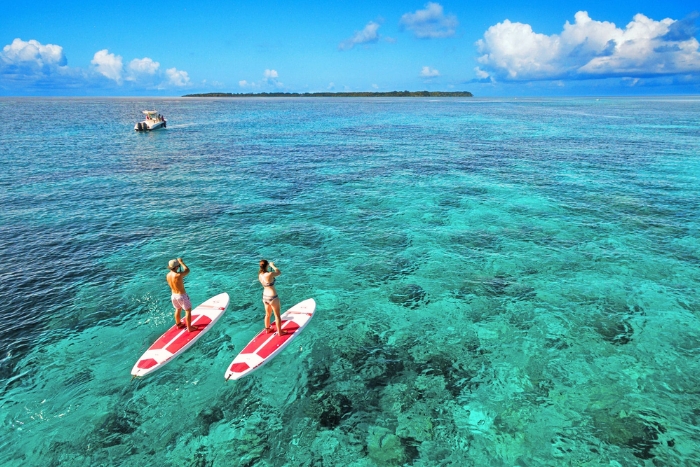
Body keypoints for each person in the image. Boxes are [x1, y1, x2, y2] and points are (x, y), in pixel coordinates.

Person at [167, 257, 197, 332]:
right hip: (181, 296)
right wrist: (181, 262)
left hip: (173, 295)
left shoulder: (168, 275)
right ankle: (189, 328)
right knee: (188, 311)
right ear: (177, 267)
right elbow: (187, 270)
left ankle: (179, 324)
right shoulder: (178, 275)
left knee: (178, 309)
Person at [259, 259, 285, 335]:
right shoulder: (269, 274)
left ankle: (267, 329)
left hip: (265, 297)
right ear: (267, 265)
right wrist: (272, 265)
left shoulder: (260, 275)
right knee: (277, 316)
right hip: (273, 297)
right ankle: (280, 332)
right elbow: (279, 272)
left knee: (267, 314)